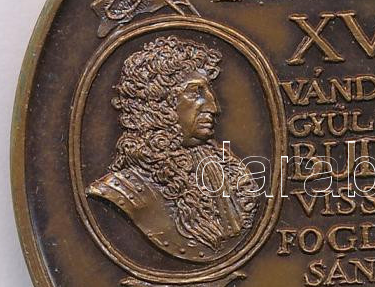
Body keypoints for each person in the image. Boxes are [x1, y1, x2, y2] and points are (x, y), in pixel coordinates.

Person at [87, 35, 258, 261]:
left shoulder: (226, 170)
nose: (213, 107)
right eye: (196, 93)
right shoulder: (122, 191)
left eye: (209, 92)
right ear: (158, 102)